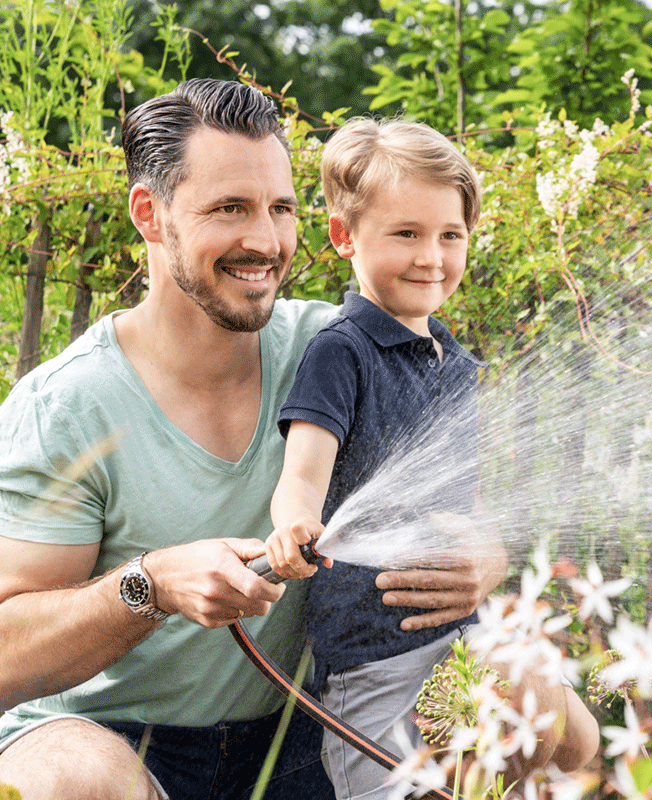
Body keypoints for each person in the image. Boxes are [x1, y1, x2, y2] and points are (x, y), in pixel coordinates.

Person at [0, 79, 503, 800]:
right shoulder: (66, 408)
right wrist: (152, 585)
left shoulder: (335, 349)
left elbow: (446, 489)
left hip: (299, 729)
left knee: (546, 714)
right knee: (73, 781)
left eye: (281, 209)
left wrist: (482, 552)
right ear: (151, 214)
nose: (265, 241)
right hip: (112, 737)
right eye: (230, 208)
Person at [265, 117, 599, 800]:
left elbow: (460, 497)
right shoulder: (342, 351)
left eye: (452, 235)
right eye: (407, 234)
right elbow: (302, 472)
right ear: (344, 237)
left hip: (461, 631)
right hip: (372, 652)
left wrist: (484, 547)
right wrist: (294, 524)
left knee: (576, 740)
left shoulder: (454, 363)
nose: (432, 256)